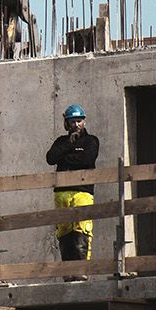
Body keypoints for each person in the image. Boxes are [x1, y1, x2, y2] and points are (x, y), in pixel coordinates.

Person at [45, 104, 99, 263]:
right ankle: (68, 272)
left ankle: (81, 270)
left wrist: (65, 158)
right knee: (64, 232)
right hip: (61, 193)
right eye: (72, 122)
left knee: (81, 230)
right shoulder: (62, 141)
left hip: (82, 192)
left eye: (79, 121)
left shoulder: (91, 141)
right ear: (66, 124)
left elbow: (86, 159)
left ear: (84, 121)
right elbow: (50, 158)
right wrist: (69, 144)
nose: (76, 125)